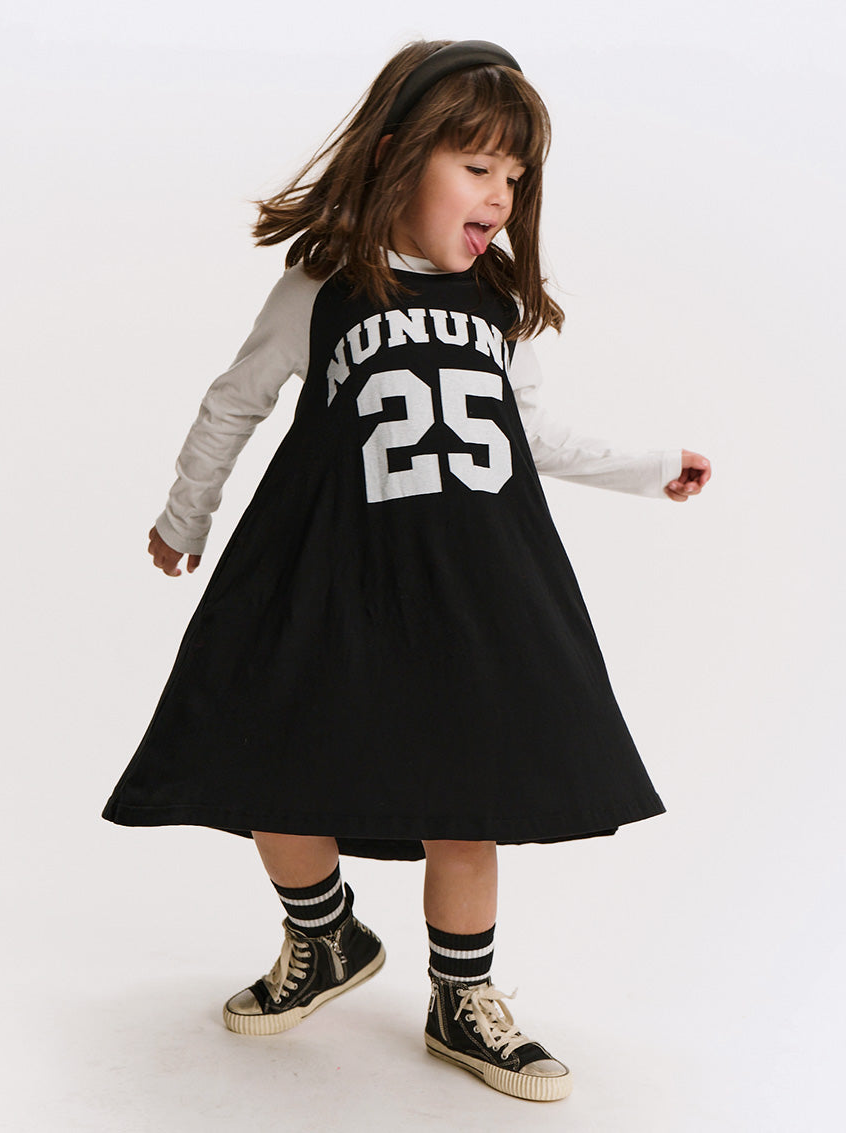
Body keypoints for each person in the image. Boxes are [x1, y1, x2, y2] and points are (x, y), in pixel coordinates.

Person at [102, 39, 711, 1103]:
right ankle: (325, 934)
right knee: (272, 766)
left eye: (515, 176)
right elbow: (236, 400)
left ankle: (462, 997)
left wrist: (648, 466)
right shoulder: (323, 286)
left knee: (466, 799)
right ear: (395, 156)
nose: (500, 196)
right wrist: (184, 513)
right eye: (477, 167)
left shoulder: (494, 305)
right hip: (330, 579)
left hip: (473, 587)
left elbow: (530, 432)